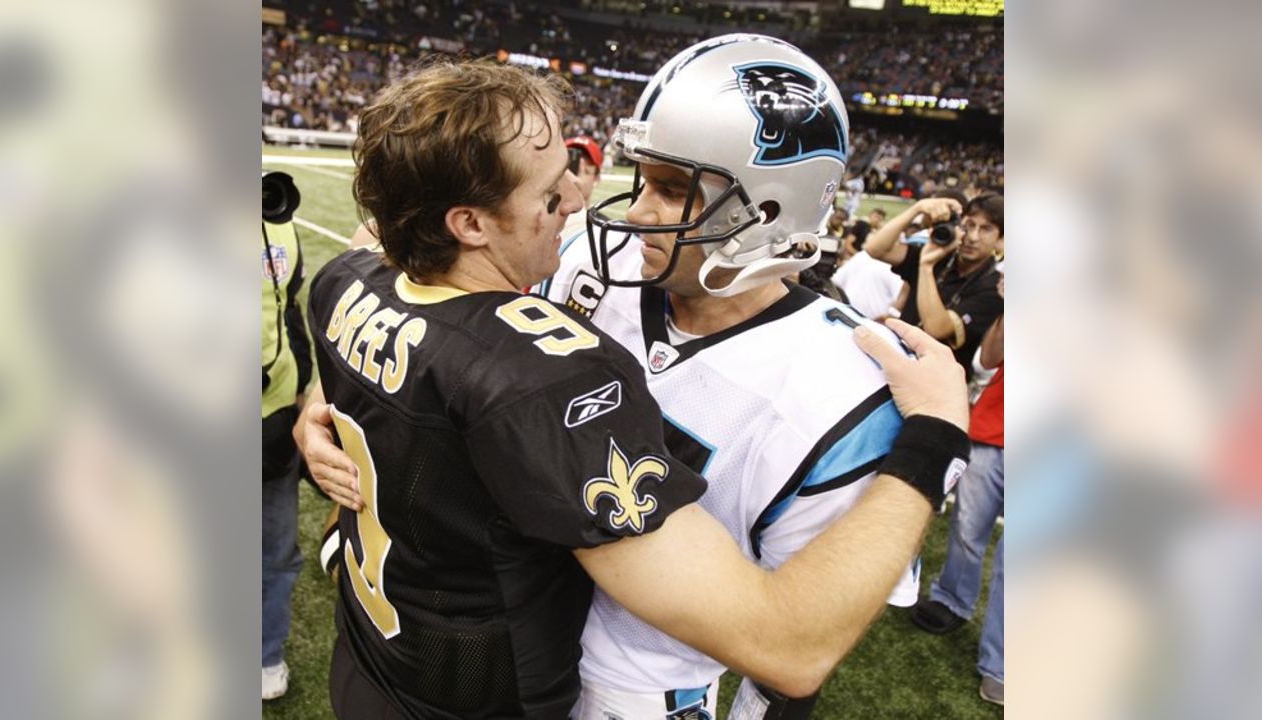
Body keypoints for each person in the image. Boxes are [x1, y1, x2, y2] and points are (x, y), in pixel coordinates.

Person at [298, 57, 971, 720]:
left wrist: (931, 441)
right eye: (642, 178)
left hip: (633, 693)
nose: (632, 210)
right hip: (505, 661)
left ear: (770, 208)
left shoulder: (846, 384)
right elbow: (407, 240)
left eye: (674, 188)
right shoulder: (585, 251)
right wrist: (323, 401)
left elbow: (794, 655)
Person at [910, 271, 1005, 707]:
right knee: (967, 531)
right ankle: (951, 600)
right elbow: (986, 362)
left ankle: (1001, 665)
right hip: (992, 431)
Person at [260, 176, 314, 700]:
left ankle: (265, 652)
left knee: (275, 551)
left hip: (272, 423)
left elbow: (286, 307)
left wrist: (301, 394)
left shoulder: (276, 221)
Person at [862, 192, 1004, 375]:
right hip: (896, 364)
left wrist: (926, 267)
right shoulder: (940, 254)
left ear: (1000, 239)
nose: (973, 237)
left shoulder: (993, 287)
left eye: (986, 229)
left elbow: (936, 328)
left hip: (937, 386)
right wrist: (917, 208)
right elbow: (875, 249)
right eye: (969, 225)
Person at [565, 135, 603, 207]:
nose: (573, 177)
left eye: (586, 171)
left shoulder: (598, 218)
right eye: (571, 167)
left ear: (596, 179)